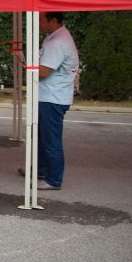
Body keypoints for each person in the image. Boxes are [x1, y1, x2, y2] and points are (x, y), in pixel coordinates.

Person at [35, 12, 79, 190]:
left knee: (51, 139)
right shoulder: (54, 37)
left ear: (53, 21)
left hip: (52, 98)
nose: (39, 22)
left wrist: (28, 68)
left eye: (41, 19)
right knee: (43, 137)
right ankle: (41, 170)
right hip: (50, 96)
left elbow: (44, 71)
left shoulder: (58, 42)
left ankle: (53, 179)